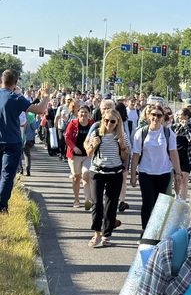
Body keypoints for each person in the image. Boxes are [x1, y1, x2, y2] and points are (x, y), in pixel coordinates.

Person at [0, 71, 49, 213]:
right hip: (12, 142)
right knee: (7, 174)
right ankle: (2, 206)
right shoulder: (15, 97)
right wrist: (45, 97)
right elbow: (40, 110)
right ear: (15, 84)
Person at [130, 104, 182, 233]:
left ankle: (157, 233)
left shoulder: (168, 133)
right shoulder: (141, 133)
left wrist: (178, 173)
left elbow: (173, 153)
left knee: (162, 205)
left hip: (164, 173)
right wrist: (132, 175)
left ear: (163, 118)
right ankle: (145, 231)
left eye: (159, 115)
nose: (156, 118)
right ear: (148, 116)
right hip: (145, 173)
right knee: (148, 203)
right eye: (153, 115)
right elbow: (135, 155)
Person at [84, 109, 130, 247]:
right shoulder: (97, 133)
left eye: (112, 121)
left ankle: (106, 235)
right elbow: (89, 153)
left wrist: (123, 147)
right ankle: (97, 233)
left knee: (111, 205)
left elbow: (125, 156)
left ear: (117, 122)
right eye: (106, 120)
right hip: (98, 172)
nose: (109, 123)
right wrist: (94, 145)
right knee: (97, 204)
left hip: (115, 173)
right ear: (102, 120)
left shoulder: (121, 135)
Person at [65, 105, 94, 208]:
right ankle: (76, 200)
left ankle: (88, 200)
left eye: (86, 112)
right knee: (76, 177)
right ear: (78, 113)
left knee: (86, 175)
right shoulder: (72, 124)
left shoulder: (92, 124)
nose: (84, 114)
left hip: (87, 155)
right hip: (74, 155)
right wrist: (74, 147)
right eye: (81, 112)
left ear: (89, 114)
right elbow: (67, 138)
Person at [171, 108, 191, 200]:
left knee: (184, 179)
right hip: (176, 155)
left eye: (180, 115)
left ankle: (183, 201)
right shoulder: (175, 126)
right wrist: (181, 126)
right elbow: (173, 137)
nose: (179, 116)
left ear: (186, 116)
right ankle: (177, 196)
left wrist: (186, 127)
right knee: (177, 179)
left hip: (187, 156)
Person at [21, 112, 40, 176]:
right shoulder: (31, 115)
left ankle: (20, 170)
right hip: (28, 139)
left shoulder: (17, 113)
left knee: (18, 154)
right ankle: (27, 170)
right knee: (27, 154)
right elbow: (35, 127)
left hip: (18, 137)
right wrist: (38, 120)